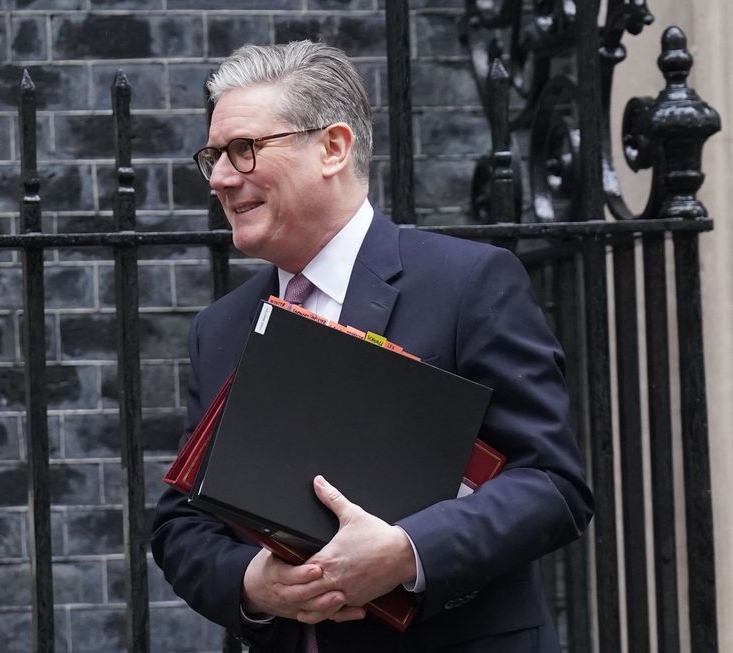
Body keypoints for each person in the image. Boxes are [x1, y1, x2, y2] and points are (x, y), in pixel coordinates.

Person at [151, 40, 593, 652]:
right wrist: (254, 584)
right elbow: (181, 523)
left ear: (333, 147)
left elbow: (552, 485)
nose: (222, 178)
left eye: (244, 150)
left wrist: (406, 552)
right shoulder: (220, 328)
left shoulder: (468, 284)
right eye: (215, 156)